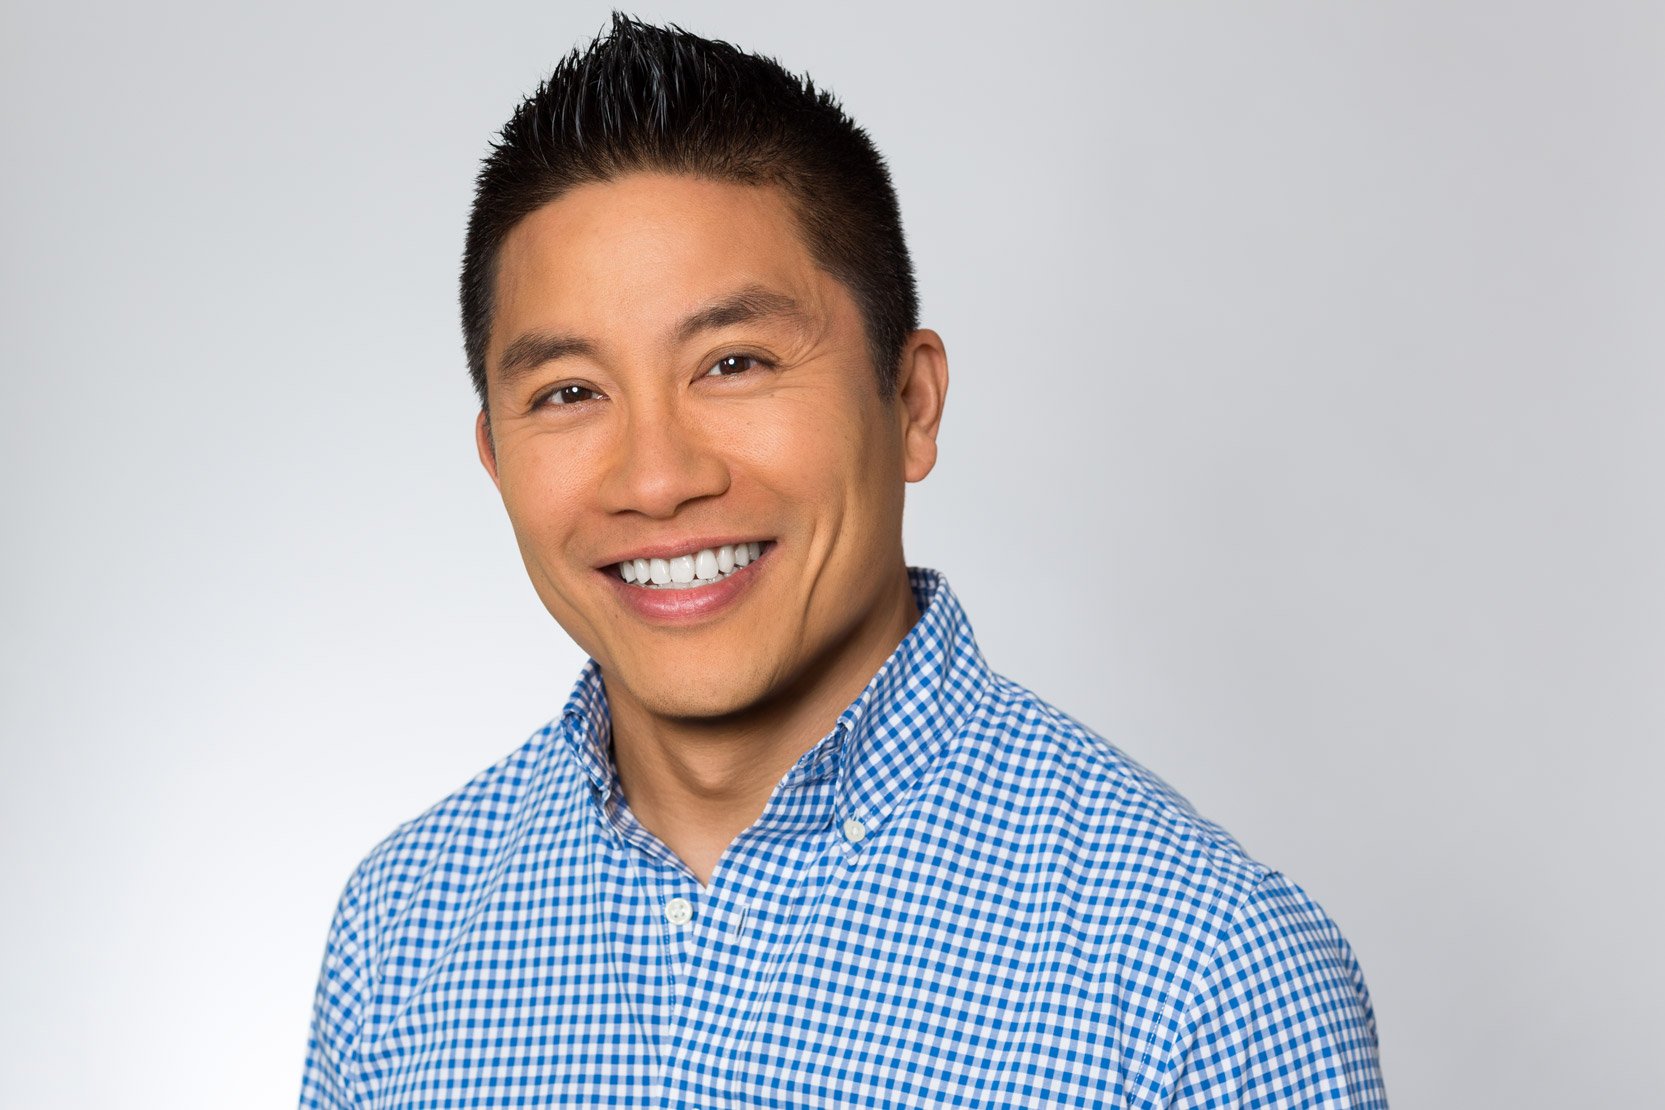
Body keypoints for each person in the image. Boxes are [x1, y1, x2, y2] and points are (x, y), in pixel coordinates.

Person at [300, 13, 1387, 1108]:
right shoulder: (400, 930)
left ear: (910, 403)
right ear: (495, 457)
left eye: (733, 362)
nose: (657, 478)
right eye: (569, 392)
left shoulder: (1207, 975)